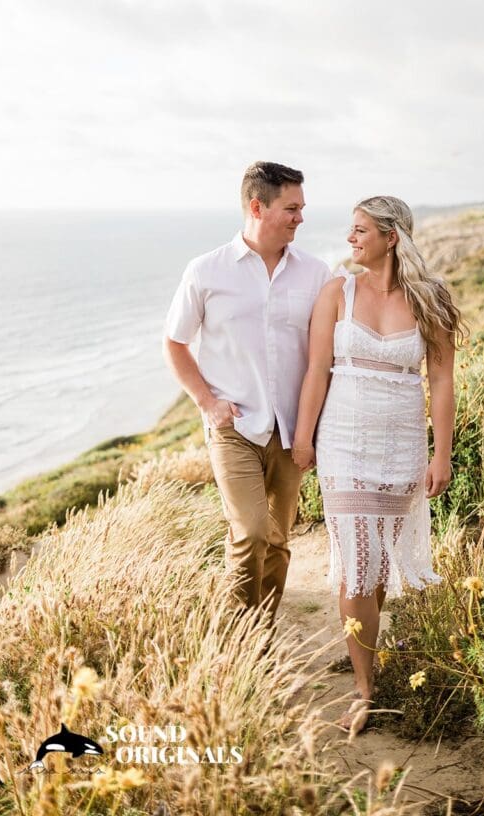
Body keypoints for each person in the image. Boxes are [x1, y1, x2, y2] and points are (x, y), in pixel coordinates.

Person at [292, 196, 467, 733]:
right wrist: (303, 438)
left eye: (360, 230)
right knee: (357, 560)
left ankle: (367, 655)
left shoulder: (428, 299)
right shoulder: (336, 292)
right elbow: (317, 369)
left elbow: (440, 380)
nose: (350, 239)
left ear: (391, 237)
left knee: (378, 567)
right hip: (343, 442)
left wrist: (442, 452)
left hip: (401, 444)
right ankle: (365, 689)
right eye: (350, 230)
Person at [163, 161, 332, 622]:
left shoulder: (316, 273)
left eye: (302, 208)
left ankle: (263, 628)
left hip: (291, 431)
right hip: (234, 427)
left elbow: (324, 357)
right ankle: (238, 636)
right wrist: (207, 403)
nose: (300, 217)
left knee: (278, 539)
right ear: (258, 207)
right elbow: (174, 343)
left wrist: (313, 432)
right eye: (291, 208)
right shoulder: (206, 271)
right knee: (251, 532)